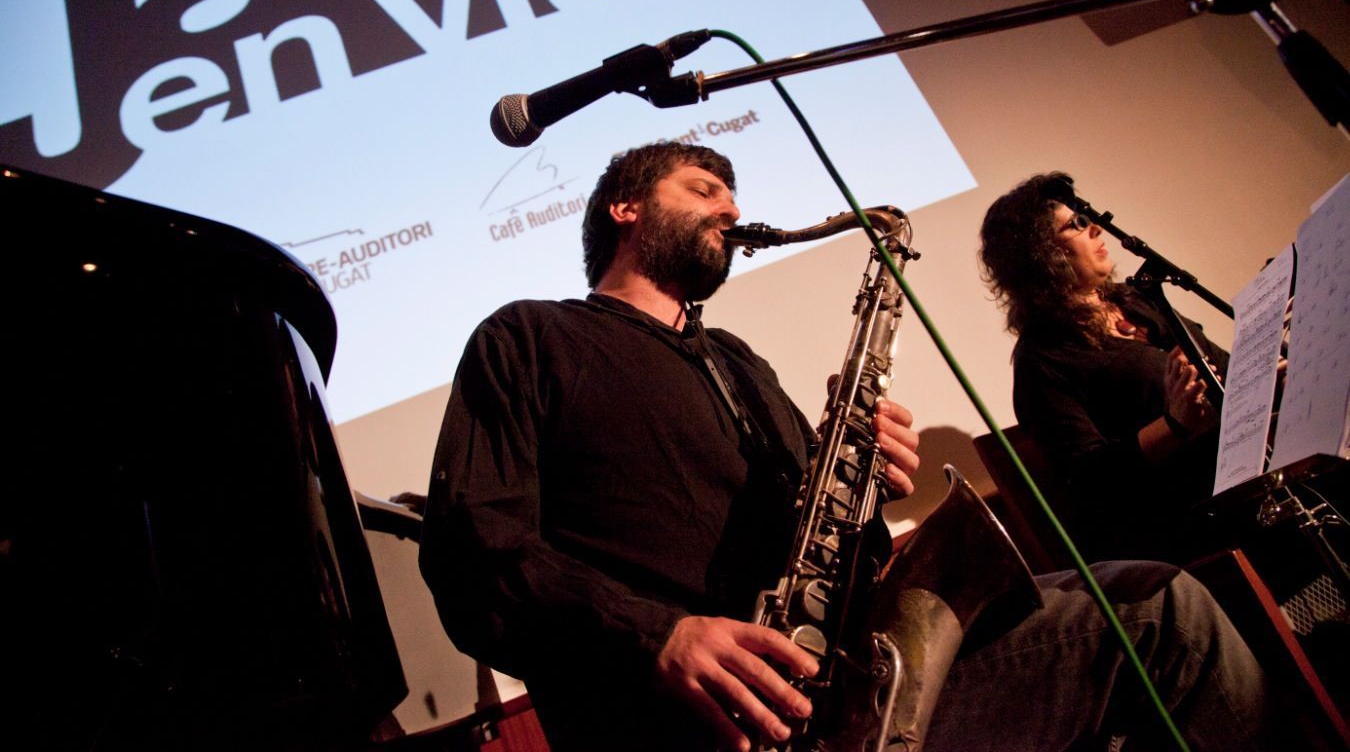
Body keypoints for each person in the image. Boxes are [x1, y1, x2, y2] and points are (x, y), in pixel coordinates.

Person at [421, 145, 1309, 751]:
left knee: (1161, 610)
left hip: (858, 694)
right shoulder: (529, 337)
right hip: (694, 725)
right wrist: (661, 636)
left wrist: (863, 492)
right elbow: (473, 555)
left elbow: (837, 559)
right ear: (626, 208)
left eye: (734, 196)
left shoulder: (739, 360)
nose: (732, 209)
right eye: (704, 190)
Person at [978, 172, 1231, 564]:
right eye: (1076, 224)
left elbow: (1222, 369)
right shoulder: (1043, 359)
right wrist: (1175, 425)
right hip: (1187, 525)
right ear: (1042, 255)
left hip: (1239, 471)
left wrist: (1268, 366)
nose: (1096, 228)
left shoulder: (1135, 300)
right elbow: (1092, 480)